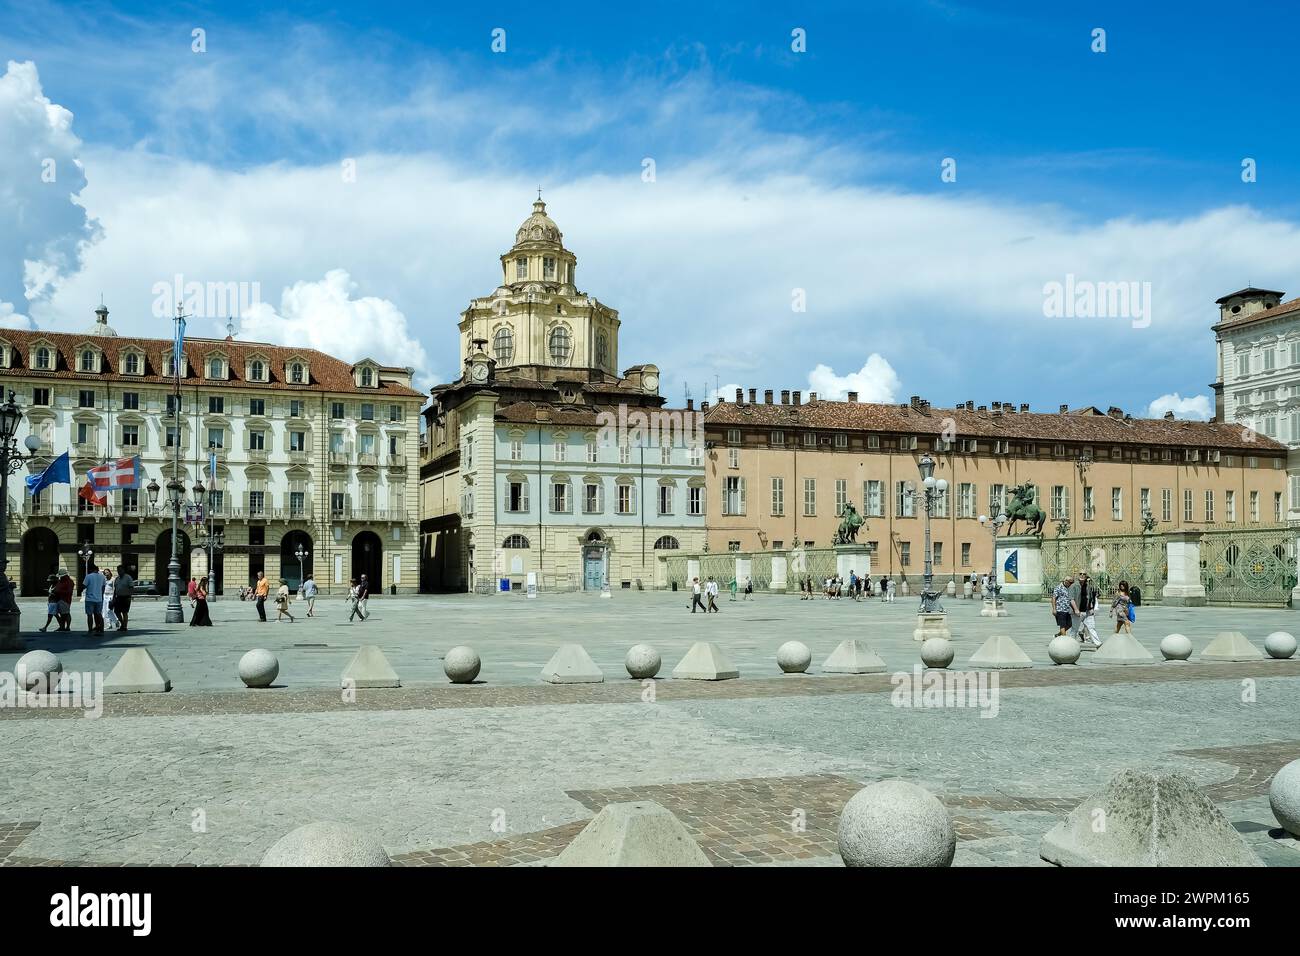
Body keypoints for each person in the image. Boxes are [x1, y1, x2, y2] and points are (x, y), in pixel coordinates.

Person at [1071, 571, 1101, 647]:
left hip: (1087, 611)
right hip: (1077, 612)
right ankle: (1071, 645)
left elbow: (1090, 598)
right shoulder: (1074, 586)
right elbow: (1071, 599)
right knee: (1075, 629)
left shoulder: (1088, 586)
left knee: (1092, 627)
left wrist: (1091, 608)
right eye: (1080, 573)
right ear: (1078, 575)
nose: (1082, 575)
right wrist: (1076, 609)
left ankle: (1098, 644)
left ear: (1086, 576)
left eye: (1084, 574)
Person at [82, 563, 106, 635]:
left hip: (90, 599)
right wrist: (101, 595)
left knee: (89, 615)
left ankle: (90, 629)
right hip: (99, 599)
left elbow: (84, 586)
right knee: (99, 614)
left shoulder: (88, 576)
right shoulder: (102, 577)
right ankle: (101, 628)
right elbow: (103, 587)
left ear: (91, 569)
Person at [114, 566, 134, 632]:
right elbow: (115, 589)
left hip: (126, 597)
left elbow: (131, 587)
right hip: (118, 597)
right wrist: (114, 597)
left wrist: (129, 595)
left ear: (123, 570)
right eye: (118, 570)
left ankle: (125, 627)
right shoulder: (117, 578)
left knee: (124, 612)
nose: (119, 571)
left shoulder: (128, 577)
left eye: (120, 570)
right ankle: (122, 624)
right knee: (116, 612)